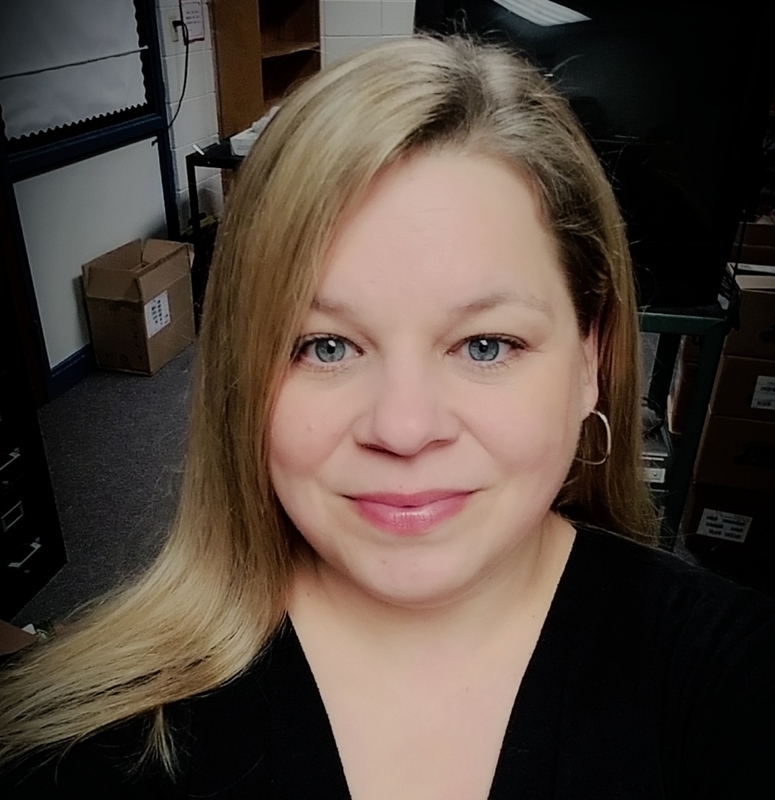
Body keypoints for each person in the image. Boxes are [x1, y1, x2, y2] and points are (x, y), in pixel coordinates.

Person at [1, 35, 773, 799]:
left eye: (484, 345)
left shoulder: (731, 679)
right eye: (325, 346)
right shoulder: (85, 750)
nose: (403, 430)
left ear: (587, 362)